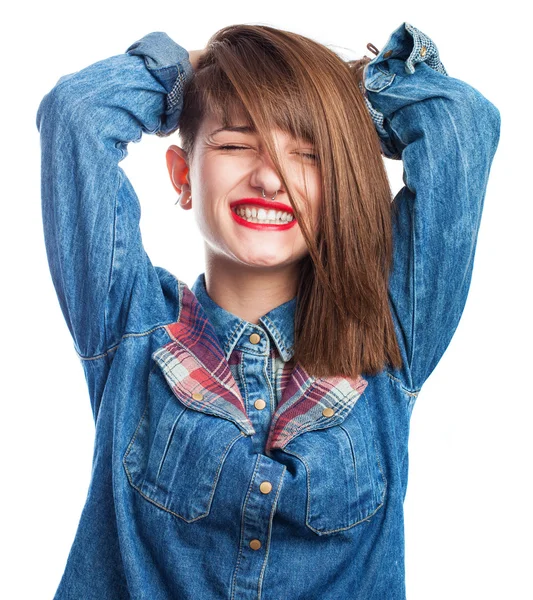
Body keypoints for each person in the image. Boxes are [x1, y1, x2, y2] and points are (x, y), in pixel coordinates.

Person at [36, 21, 500, 600]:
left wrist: (346, 90)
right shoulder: (129, 326)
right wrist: (192, 68)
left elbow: (461, 126)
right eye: (234, 144)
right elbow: (76, 115)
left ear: (340, 185)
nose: (269, 177)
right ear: (183, 176)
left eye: (307, 155)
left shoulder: (388, 333)